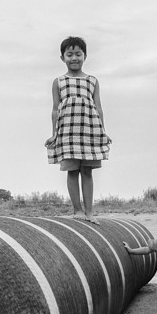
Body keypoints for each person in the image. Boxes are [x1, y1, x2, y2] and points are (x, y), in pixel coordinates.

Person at [45, 36, 111, 224]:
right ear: (62, 57)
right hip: (67, 132)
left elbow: (98, 107)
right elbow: (55, 109)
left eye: (78, 54)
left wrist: (103, 132)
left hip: (90, 130)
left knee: (88, 171)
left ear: (85, 56)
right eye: (69, 54)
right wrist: (54, 134)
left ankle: (90, 211)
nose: (74, 58)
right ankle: (77, 210)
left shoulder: (92, 81)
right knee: (72, 171)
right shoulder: (58, 81)